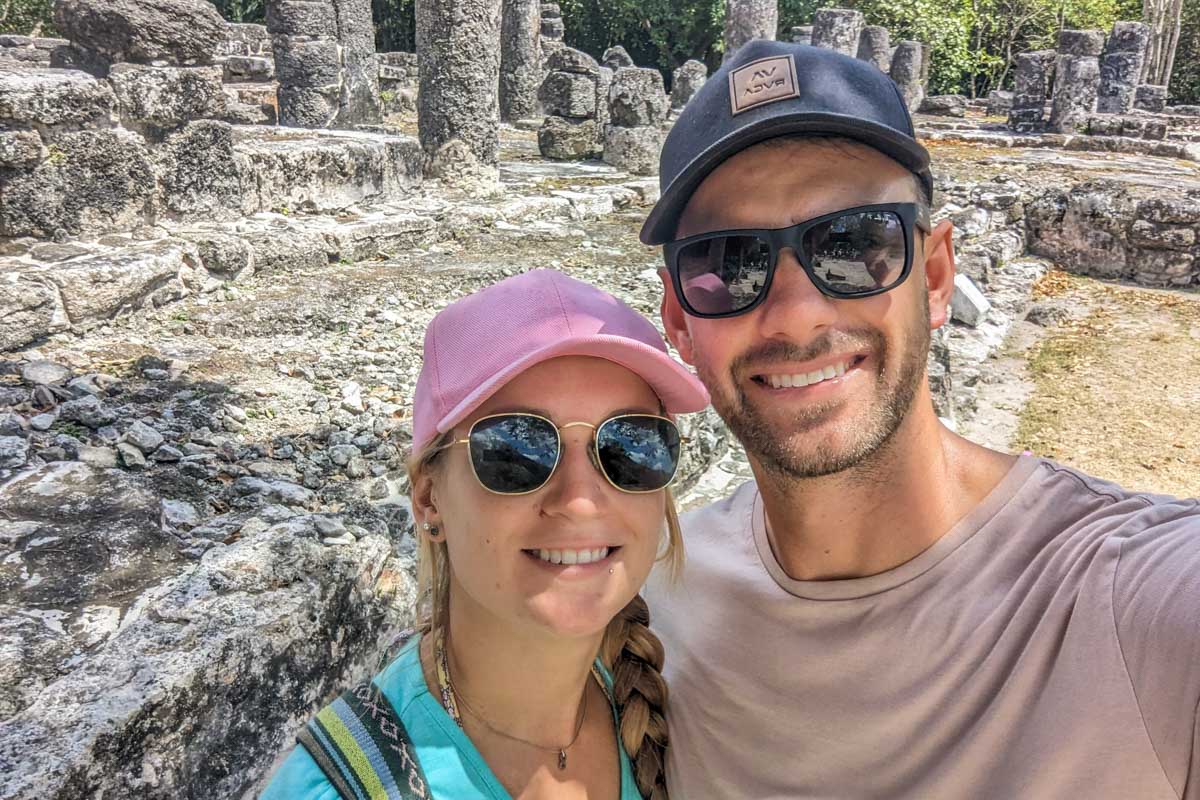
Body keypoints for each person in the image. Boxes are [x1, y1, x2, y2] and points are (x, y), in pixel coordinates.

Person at [640, 39, 1200, 799]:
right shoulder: (655, 600)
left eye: (854, 243)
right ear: (678, 318)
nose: (797, 316)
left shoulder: (1125, 601)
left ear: (935, 276)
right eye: (731, 260)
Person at [262, 269, 708, 800]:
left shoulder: (685, 698)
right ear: (430, 498)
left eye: (630, 447)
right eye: (516, 452)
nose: (581, 500)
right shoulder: (334, 788)